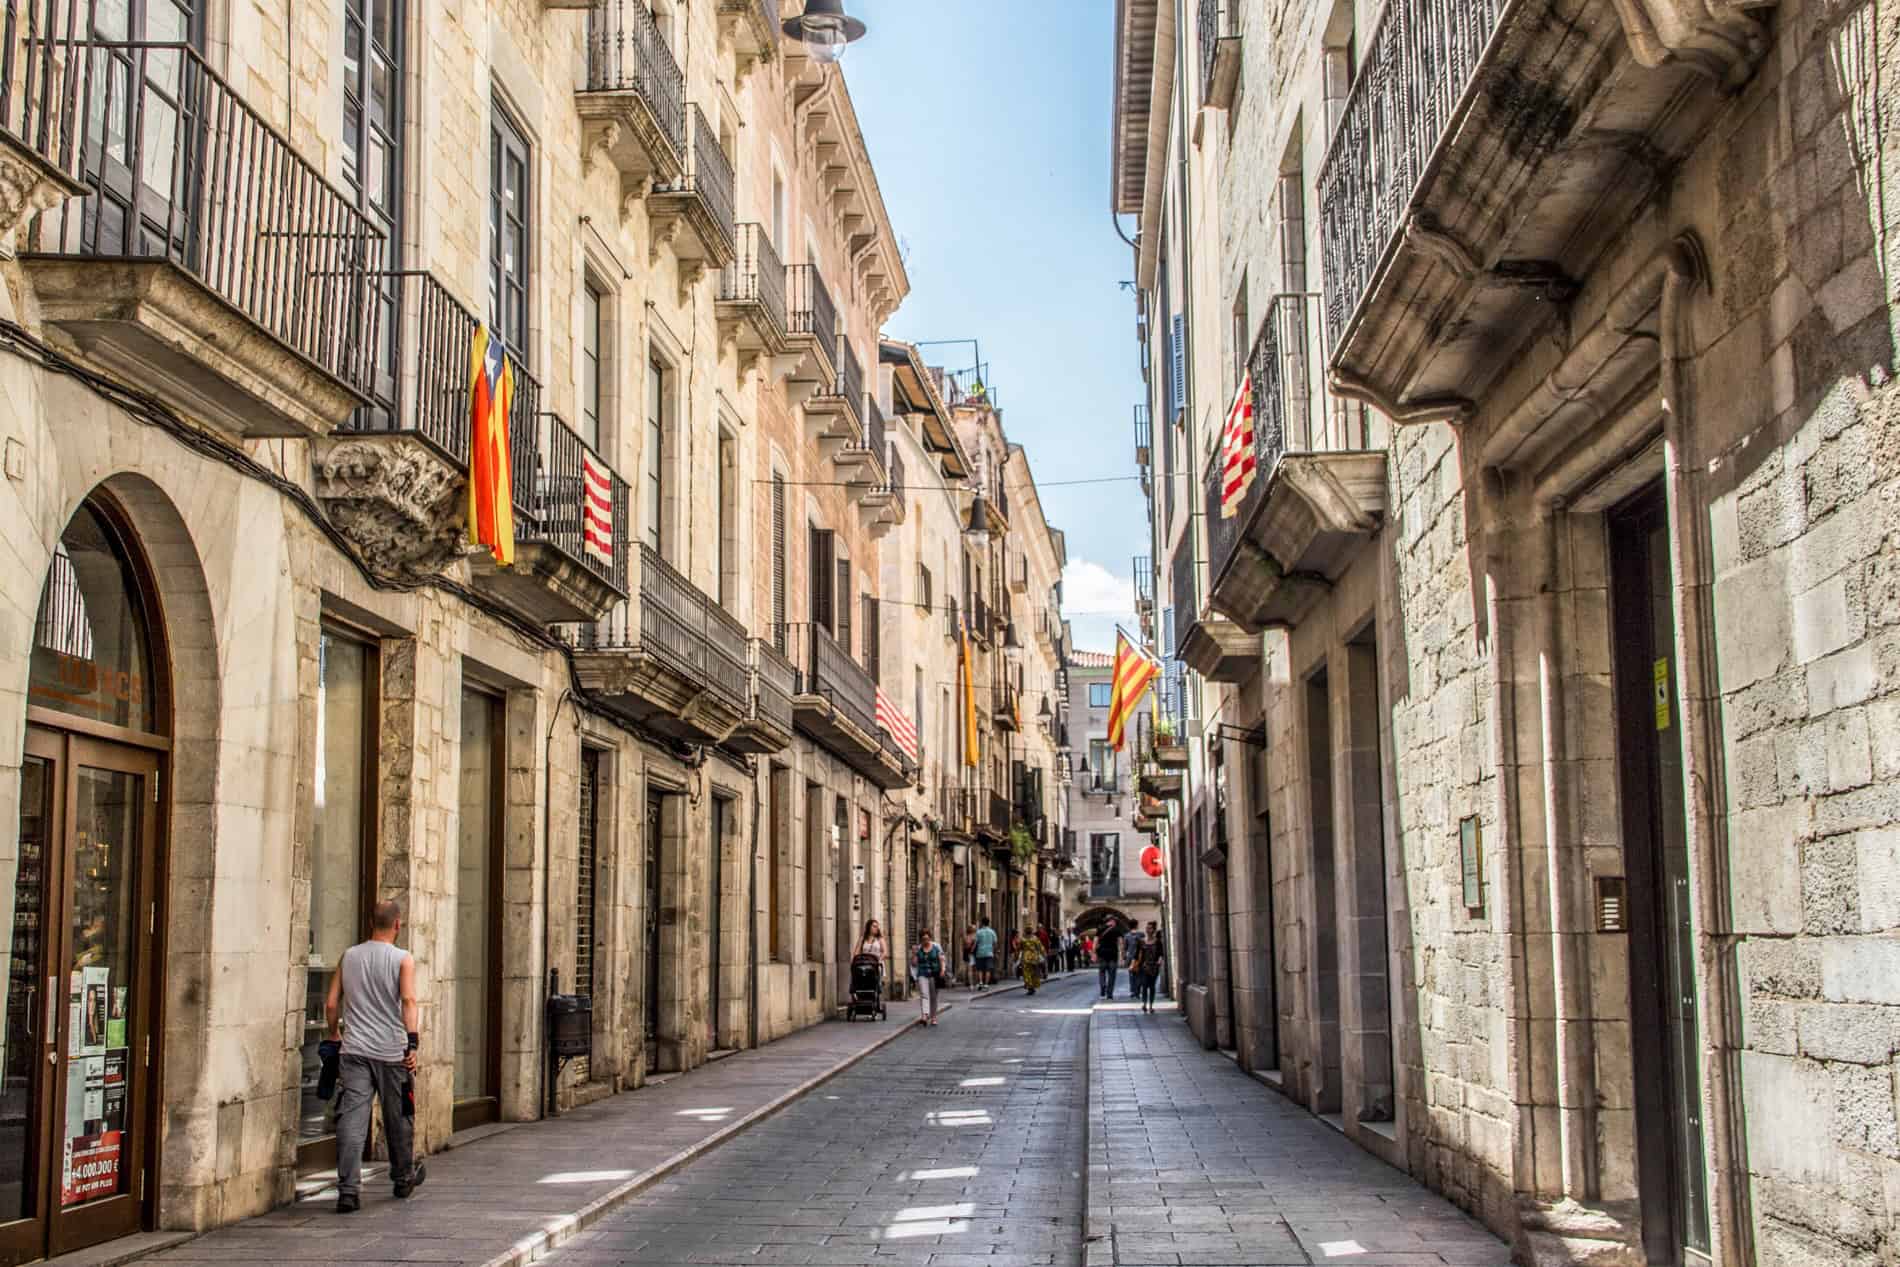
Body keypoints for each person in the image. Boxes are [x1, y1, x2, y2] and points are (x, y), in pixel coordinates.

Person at [325, 899, 424, 1213]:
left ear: (371, 922)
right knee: (398, 1116)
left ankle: (349, 1191)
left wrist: (333, 1034)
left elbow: (331, 1004)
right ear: (398, 925)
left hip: (354, 1051)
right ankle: (402, 1177)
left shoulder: (349, 956)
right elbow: (408, 1000)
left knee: (352, 1120)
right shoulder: (402, 959)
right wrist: (412, 1045)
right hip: (391, 1052)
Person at [912, 929, 944, 1026]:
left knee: (933, 997)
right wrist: (914, 954)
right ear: (921, 940)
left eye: (927, 939)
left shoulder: (936, 947)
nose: (925, 941)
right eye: (923, 939)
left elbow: (942, 959)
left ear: (930, 938)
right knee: (924, 994)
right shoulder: (919, 948)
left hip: (934, 974)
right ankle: (925, 1016)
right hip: (922, 973)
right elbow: (914, 964)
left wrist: (942, 970)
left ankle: (933, 1017)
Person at [1133, 920, 1164, 1012]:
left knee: (1152, 986)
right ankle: (1144, 1004)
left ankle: (1151, 1005)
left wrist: (1159, 961)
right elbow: (1136, 954)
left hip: (1154, 967)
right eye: (1147, 928)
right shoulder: (1141, 941)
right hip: (1144, 967)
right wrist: (1133, 964)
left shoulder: (1158, 942)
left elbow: (1161, 954)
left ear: (1153, 930)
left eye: (1149, 928)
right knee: (1144, 985)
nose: (1147, 929)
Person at [1095, 918, 1123, 1000]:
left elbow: (1095, 941)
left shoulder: (1100, 929)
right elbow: (1121, 943)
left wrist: (1094, 953)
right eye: (1115, 922)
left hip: (1102, 954)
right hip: (1113, 955)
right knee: (1112, 975)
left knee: (1102, 972)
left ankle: (1103, 986)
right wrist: (1121, 956)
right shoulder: (1117, 930)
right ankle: (1109, 993)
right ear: (1112, 922)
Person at [972, 916, 998, 988]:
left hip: (980, 952)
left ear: (982, 923)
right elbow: (995, 943)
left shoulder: (979, 932)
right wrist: (995, 952)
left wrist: (972, 950)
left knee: (979, 969)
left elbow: (975, 942)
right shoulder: (992, 932)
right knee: (988, 970)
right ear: (988, 923)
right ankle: (986, 984)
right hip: (989, 953)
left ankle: (980, 982)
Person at [1019, 925, 1046, 994]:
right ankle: (1032, 986)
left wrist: (1017, 955)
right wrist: (1043, 954)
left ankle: (1030, 987)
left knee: (1026, 973)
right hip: (1034, 957)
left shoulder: (1022, 939)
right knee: (1034, 972)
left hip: (1025, 957)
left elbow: (1019, 948)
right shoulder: (1035, 938)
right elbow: (1040, 947)